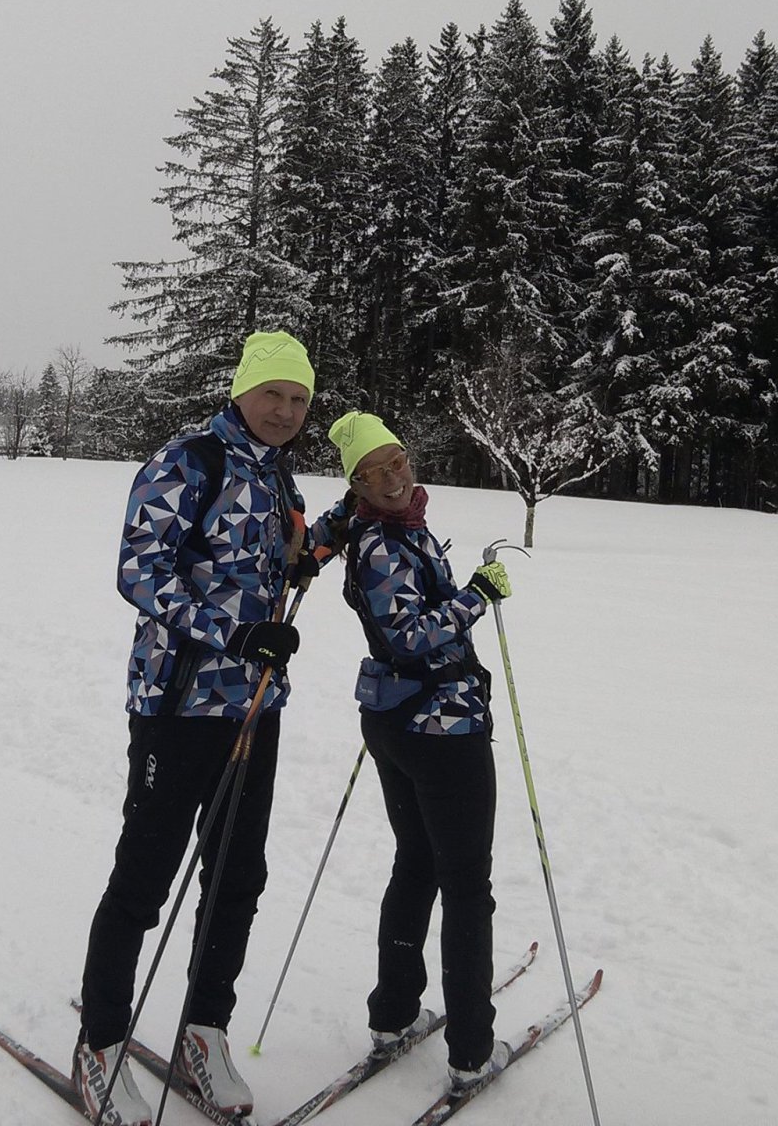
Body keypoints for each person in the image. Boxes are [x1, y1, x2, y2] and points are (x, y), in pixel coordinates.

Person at [75, 331, 316, 1126]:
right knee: (145, 879)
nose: (285, 411)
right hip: (177, 705)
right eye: (273, 393)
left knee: (237, 877)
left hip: (254, 710)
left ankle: (202, 1033)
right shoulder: (189, 461)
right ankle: (102, 1043)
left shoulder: (278, 472)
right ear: (243, 390)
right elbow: (140, 571)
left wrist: (312, 550)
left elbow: (273, 558)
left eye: (299, 399)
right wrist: (235, 633)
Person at [320, 409, 515, 1094]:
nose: (391, 479)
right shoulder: (379, 544)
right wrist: (475, 597)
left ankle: (394, 1014)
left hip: (401, 723)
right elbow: (407, 636)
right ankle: (470, 1050)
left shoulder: (396, 527)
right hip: (441, 730)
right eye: (372, 475)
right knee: (466, 887)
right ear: (358, 486)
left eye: (395, 461)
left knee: (419, 864)